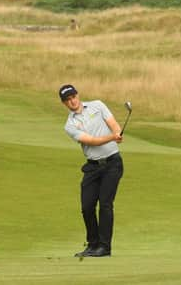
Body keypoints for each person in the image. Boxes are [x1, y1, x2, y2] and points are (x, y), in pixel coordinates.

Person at [59, 84, 124, 258]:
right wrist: (112, 137)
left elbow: (113, 124)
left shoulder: (97, 105)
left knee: (105, 204)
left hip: (112, 163)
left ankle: (104, 247)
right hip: (93, 167)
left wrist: (117, 132)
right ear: (64, 104)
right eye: (67, 100)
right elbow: (92, 141)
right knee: (87, 206)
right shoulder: (70, 125)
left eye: (73, 97)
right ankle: (93, 245)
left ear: (77, 95)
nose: (72, 101)